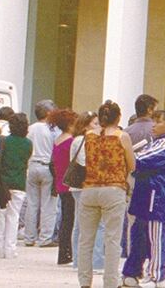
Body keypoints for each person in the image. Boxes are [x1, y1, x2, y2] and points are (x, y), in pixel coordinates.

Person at [77, 100, 135, 288]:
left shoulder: (88, 135)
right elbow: (132, 165)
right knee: (112, 239)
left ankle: (85, 281)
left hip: (89, 189)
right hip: (113, 189)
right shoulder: (121, 136)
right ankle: (110, 282)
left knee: (86, 239)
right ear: (118, 117)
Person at [123, 110, 165, 287]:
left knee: (155, 237)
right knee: (139, 235)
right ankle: (132, 272)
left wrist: (124, 149)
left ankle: (156, 277)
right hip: (145, 194)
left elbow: (139, 161)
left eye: (158, 122)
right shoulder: (155, 142)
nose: (154, 125)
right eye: (153, 121)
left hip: (158, 197)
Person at [0, 112, 31, 259]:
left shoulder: (1, 141)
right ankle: (10, 249)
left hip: (1, 183)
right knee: (14, 217)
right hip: (19, 183)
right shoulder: (28, 143)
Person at [68, 111, 105, 274]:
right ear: (86, 124)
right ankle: (95, 262)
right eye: (95, 123)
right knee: (96, 224)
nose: (98, 126)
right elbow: (86, 162)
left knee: (80, 224)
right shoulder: (83, 141)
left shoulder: (79, 140)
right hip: (85, 186)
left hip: (79, 186)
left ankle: (78, 260)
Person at [23, 98, 57, 248]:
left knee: (32, 203)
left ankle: (29, 237)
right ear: (48, 113)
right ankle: (45, 238)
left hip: (32, 166)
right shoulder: (53, 130)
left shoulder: (30, 128)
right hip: (47, 167)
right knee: (48, 205)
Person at [49, 108, 79, 265]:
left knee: (66, 219)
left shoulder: (57, 140)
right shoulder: (71, 141)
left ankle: (64, 252)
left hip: (61, 182)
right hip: (70, 184)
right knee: (70, 220)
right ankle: (66, 252)